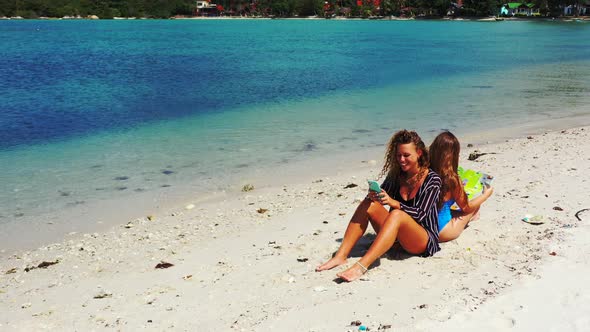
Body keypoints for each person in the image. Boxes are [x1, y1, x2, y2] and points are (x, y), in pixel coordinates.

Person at [316, 130, 442, 282]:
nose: (401, 160)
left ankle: (361, 266)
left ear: (419, 153)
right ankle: (341, 256)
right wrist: (374, 195)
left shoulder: (432, 180)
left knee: (397, 213)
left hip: (422, 240)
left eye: (406, 155)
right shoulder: (396, 175)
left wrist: (394, 203)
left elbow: (421, 213)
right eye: (398, 155)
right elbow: (379, 199)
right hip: (397, 238)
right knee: (369, 204)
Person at [429, 131, 494, 243]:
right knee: (473, 208)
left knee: (449, 208)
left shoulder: (425, 170)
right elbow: (467, 207)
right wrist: (486, 195)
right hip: (441, 231)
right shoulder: (451, 179)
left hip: (422, 228)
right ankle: (473, 217)